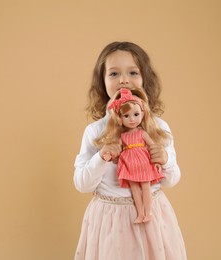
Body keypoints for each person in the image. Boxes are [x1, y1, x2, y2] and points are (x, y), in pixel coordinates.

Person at [74, 41, 187, 260]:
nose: (124, 80)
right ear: (102, 82)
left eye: (133, 72)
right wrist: (102, 157)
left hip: (153, 218)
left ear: (145, 78)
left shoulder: (158, 128)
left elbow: (171, 180)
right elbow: (82, 184)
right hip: (109, 220)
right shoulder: (95, 132)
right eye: (114, 73)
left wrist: (165, 160)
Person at [95, 87, 167, 224]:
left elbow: (153, 147)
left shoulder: (142, 133)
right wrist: (109, 155)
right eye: (126, 116)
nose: (132, 119)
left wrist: (157, 162)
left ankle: (149, 212)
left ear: (142, 114)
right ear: (120, 119)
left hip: (143, 162)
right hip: (129, 165)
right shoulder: (122, 136)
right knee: (134, 188)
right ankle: (140, 213)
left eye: (136, 114)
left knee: (146, 187)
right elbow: (116, 149)